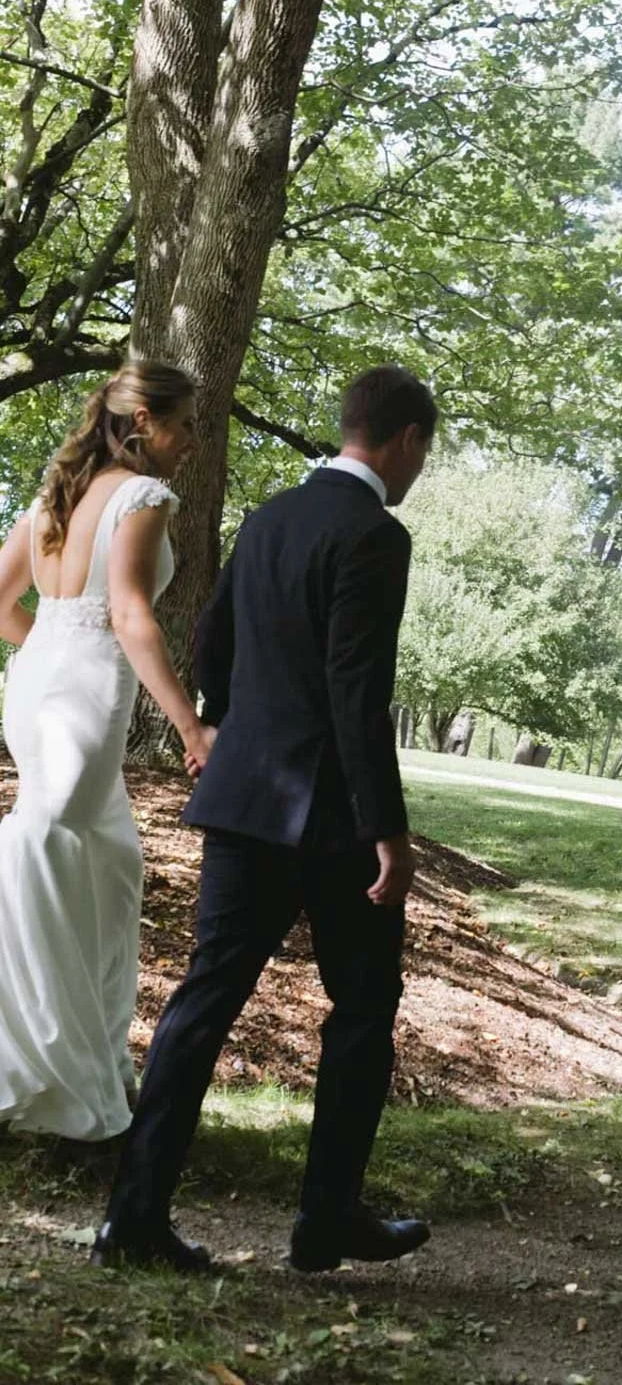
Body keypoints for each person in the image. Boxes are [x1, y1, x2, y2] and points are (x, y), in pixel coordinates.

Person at [92, 364, 436, 1274]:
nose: (418, 470)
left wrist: (244, 731)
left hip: (244, 796)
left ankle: (133, 1217)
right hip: (331, 822)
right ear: (404, 440)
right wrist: (387, 832)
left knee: (202, 1005)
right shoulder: (375, 536)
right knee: (362, 1008)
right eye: (422, 454)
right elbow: (359, 694)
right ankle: (326, 1223)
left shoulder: (269, 517)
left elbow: (213, 647)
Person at [0, 361, 215, 1141]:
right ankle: (35, 1068)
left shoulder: (51, 498)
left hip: (36, 688)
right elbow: (130, 616)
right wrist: (191, 727)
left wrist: (48, 650)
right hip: (85, 695)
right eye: (186, 423)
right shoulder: (144, 497)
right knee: (52, 849)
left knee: (106, 860)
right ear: (144, 424)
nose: (194, 439)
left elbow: (1, 604)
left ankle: (87, 1054)